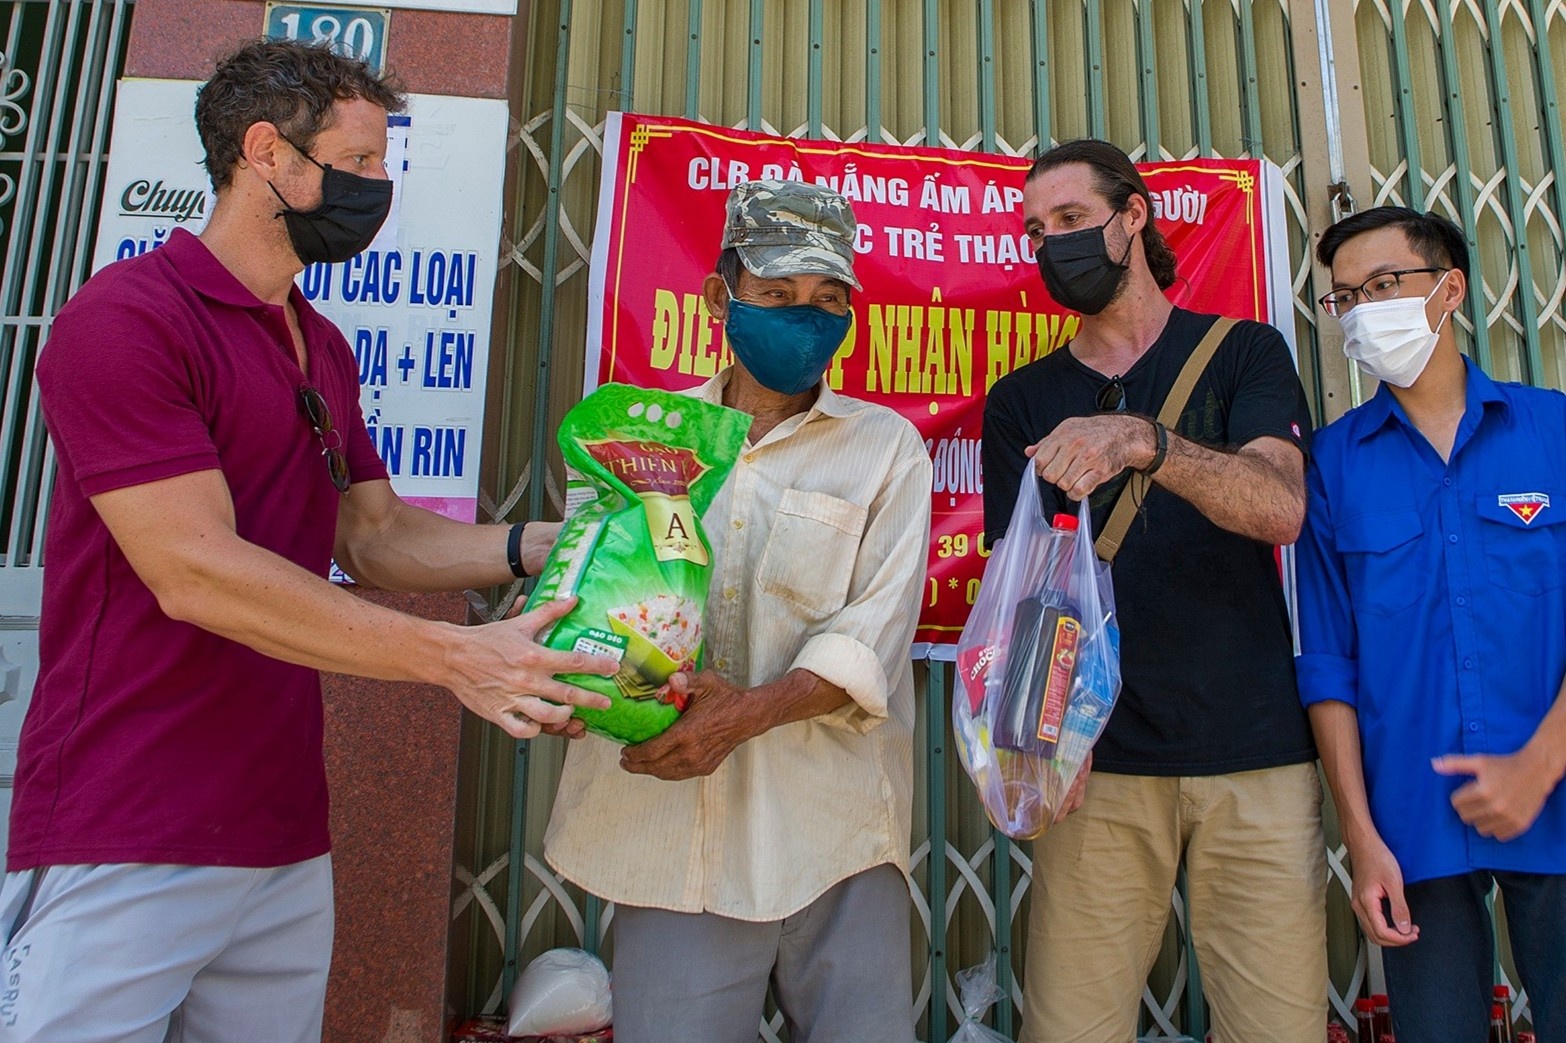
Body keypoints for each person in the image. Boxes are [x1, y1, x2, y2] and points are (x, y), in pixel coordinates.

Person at [0, 39, 614, 1043]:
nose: (380, 187)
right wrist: (457, 656)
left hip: (282, 833)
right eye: (362, 161)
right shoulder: (126, 320)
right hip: (126, 822)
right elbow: (193, 569)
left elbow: (374, 536)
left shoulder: (315, 340)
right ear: (269, 155)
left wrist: (548, 544)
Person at [542, 180, 931, 1043]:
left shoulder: (884, 447)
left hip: (833, 833)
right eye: (778, 295)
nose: (807, 316)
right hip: (674, 828)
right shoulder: (641, 439)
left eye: (830, 299)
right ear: (722, 298)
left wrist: (747, 713)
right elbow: (586, 598)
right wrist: (589, 687)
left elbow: (873, 633)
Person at [982, 139, 1327, 1043]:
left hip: (1254, 757)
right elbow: (1020, 589)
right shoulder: (1022, 399)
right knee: (1070, 1026)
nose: (1052, 243)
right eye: (1035, 230)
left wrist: (1146, 441)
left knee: (1278, 1026)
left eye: (1070, 220)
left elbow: (1280, 507)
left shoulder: (1244, 354)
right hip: (1097, 771)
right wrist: (1038, 744)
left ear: (1133, 216)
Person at [1297, 207, 1566, 1041]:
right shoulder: (1332, 463)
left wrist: (1541, 760)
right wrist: (1359, 834)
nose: (1362, 309)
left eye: (1383, 285)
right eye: (1345, 297)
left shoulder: (1553, 429)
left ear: (1449, 289)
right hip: (1410, 831)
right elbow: (1329, 663)